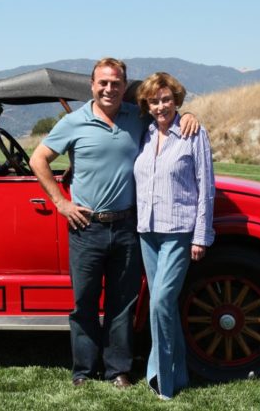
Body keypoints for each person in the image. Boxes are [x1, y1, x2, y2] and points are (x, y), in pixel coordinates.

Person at [29, 58, 198, 388]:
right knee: (85, 303)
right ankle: (83, 371)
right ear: (92, 86)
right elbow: (39, 159)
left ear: (124, 86)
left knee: (123, 302)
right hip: (86, 227)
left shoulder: (135, 118)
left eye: (116, 83)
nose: (109, 88)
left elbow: (167, 113)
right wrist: (61, 203)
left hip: (126, 226)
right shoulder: (74, 122)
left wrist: (188, 114)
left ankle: (118, 369)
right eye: (103, 83)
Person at [133, 72, 214, 399]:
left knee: (161, 303)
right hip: (147, 230)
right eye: (154, 101)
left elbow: (206, 187)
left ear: (176, 100)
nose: (160, 106)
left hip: (178, 231)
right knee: (162, 306)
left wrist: (201, 236)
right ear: (147, 104)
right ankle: (178, 375)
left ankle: (161, 382)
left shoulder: (194, 133)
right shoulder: (147, 134)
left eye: (166, 99)